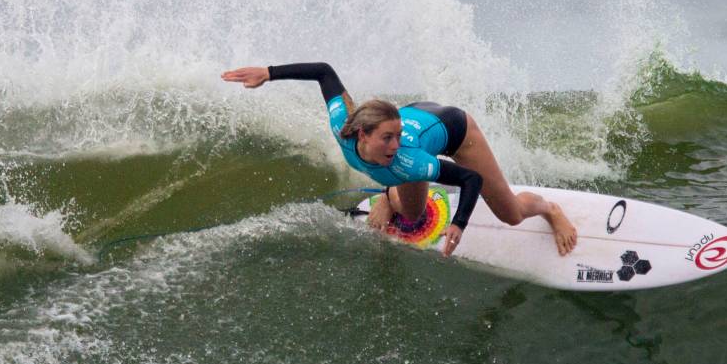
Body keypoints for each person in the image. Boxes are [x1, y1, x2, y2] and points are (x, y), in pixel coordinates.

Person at [221, 62, 577, 257]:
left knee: (511, 214)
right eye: (385, 138)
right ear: (362, 133)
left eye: (395, 138)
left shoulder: (407, 159)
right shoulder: (342, 125)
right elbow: (324, 72)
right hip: (414, 120)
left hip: (457, 130)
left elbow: (470, 180)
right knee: (412, 214)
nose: (392, 145)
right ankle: (389, 199)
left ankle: (550, 210)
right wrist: (269, 73)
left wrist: (459, 223)